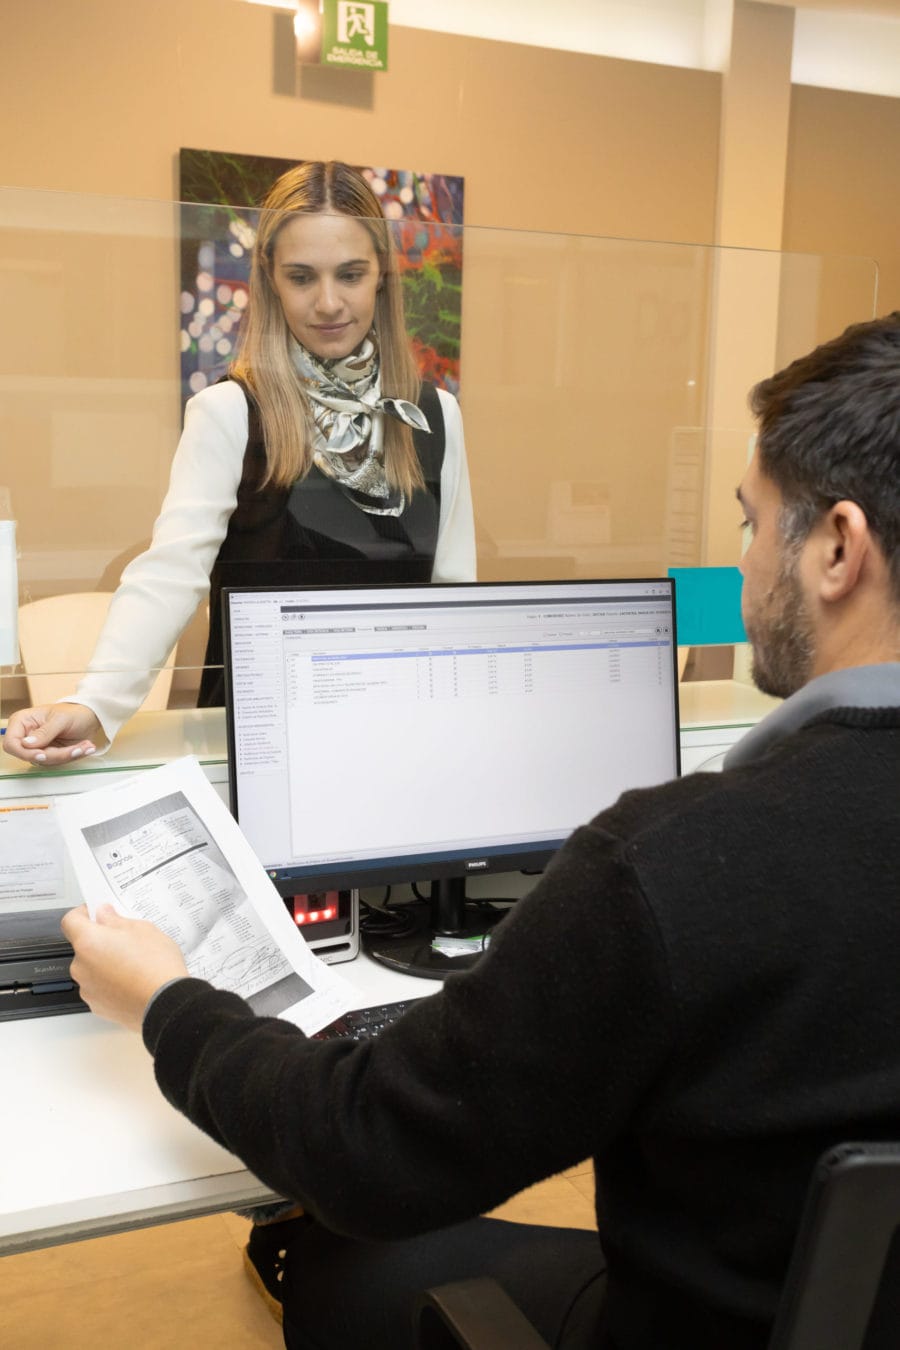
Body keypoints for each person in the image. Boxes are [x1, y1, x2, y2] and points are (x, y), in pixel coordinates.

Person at [62, 311, 900, 1350]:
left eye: (751, 523)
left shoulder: (679, 869)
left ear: (836, 547)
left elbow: (364, 1150)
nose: (743, 566)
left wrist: (167, 1004)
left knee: (334, 1250)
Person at [3, 161, 475, 766]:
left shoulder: (435, 415)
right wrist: (94, 702)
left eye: (350, 275)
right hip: (264, 743)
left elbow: (454, 597)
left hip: (401, 736)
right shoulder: (228, 412)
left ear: (381, 276)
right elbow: (170, 575)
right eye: (302, 277)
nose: (328, 303)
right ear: (270, 281)